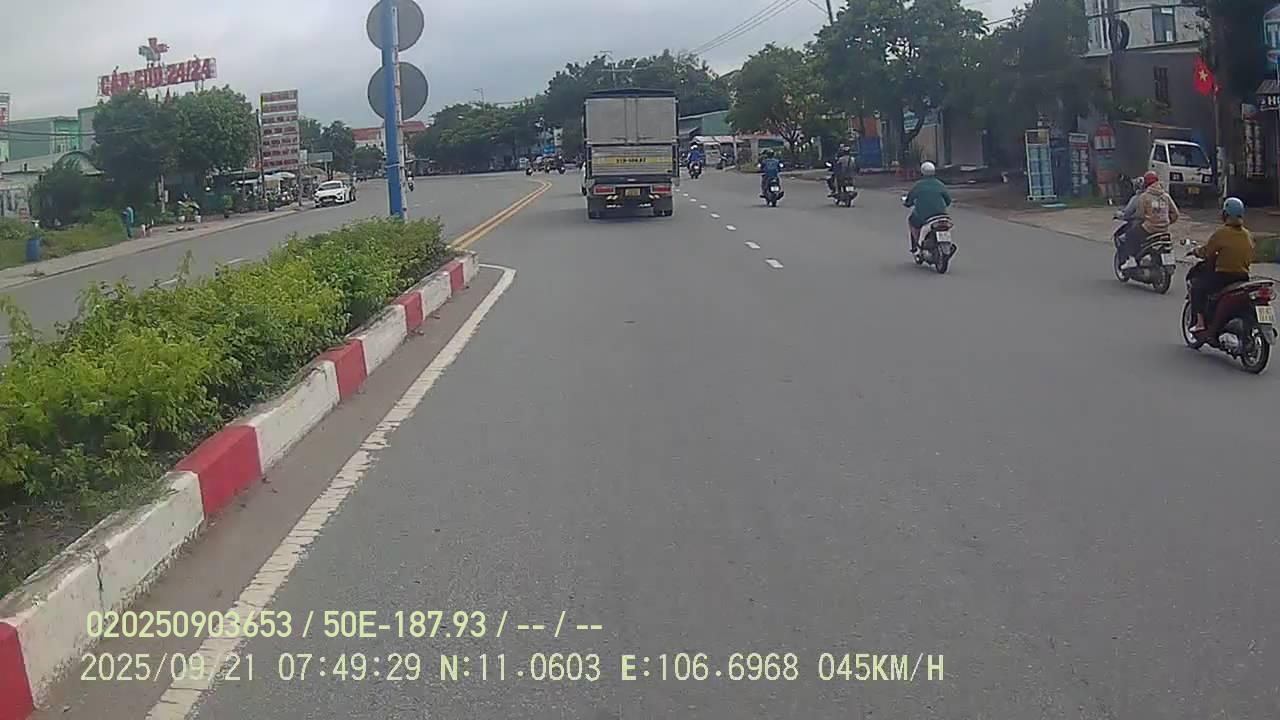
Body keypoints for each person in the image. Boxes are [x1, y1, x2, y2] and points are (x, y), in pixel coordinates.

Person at [1187, 197, 1254, 334]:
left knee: (1197, 288)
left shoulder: (1222, 233)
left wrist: (1195, 251)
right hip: (1243, 277)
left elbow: (1206, 252)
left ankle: (1200, 323)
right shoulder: (1247, 235)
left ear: (1225, 214)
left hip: (1224, 277)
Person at [1122, 171, 1180, 269]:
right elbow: (1175, 214)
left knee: (1130, 235)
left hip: (1149, 228)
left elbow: (1140, 215)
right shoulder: (1166, 196)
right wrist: (1166, 222)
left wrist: (1151, 219)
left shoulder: (1144, 196)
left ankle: (1131, 260)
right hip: (1164, 230)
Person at [903, 161, 952, 253]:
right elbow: (948, 201)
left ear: (922, 171)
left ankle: (918, 244)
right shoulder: (940, 184)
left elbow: (909, 201)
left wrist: (907, 203)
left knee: (911, 221)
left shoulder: (918, 185)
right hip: (942, 216)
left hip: (925, 217)